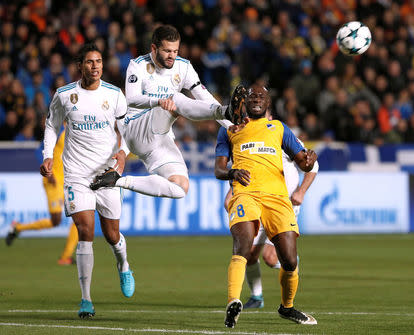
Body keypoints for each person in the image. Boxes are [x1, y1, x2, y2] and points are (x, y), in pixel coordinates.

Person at [89, 25, 245, 198]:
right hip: (136, 129)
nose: (172, 56)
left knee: (180, 187)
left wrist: (229, 125)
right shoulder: (138, 65)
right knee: (175, 98)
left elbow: (204, 96)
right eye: (167, 51)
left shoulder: (183, 67)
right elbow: (131, 100)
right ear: (154, 48)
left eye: (175, 51)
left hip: (160, 138)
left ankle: (117, 181)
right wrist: (158, 101)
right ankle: (226, 111)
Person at [40, 42, 134, 319]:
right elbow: (51, 126)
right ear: (80, 65)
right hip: (77, 174)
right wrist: (48, 156)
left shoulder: (115, 95)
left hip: (107, 173)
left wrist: (122, 153)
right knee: (85, 231)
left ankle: (124, 264)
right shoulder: (64, 95)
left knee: (112, 235)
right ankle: (86, 299)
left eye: (99, 61)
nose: (95, 66)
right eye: (90, 62)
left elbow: (127, 131)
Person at [214, 84, 318, 327]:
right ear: (245, 102)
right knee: (243, 245)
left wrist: (309, 159)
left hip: (277, 199)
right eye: (252, 96)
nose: (257, 98)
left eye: (262, 96)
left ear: (268, 103)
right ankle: (233, 302)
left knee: (289, 260)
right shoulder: (230, 130)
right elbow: (219, 169)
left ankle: (287, 307)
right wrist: (232, 172)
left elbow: (304, 162)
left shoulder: (279, 128)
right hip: (245, 194)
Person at [220, 131, 319, 309]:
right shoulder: (250, 141)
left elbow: (314, 165)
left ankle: (291, 263)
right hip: (257, 201)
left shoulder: (281, 136)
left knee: (271, 258)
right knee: (249, 255)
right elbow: (248, 171)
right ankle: (257, 297)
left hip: (283, 204)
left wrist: (301, 192)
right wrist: (232, 194)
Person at [5, 128, 79, 266]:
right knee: (56, 220)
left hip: (69, 181)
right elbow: (39, 150)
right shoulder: (59, 130)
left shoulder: (76, 128)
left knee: (79, 216)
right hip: (53, 180)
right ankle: (18, 228)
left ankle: (65, 257)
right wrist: (47, 170)